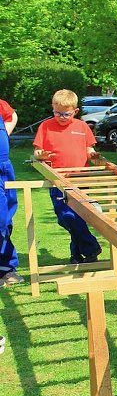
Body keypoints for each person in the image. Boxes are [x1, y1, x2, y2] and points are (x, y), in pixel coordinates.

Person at [33, 90, 103, 264]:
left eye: (66, 114)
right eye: (57, 113)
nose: (61, 117)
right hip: (56, 180)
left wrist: (93, 155)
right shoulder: (46, 126)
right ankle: (91, 247)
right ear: (53, 108)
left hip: (81, 179)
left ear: (75, 111)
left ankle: (77, 255)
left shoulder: (82, 126)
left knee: (77, 217)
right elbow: (36, 152)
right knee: (65, 216)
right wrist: (41, 155)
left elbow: (89, 149)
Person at [0, 97, 23, 287]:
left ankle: (6, 267)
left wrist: (5, 134)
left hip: (4, 166)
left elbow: (11, 115)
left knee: (6, 218)